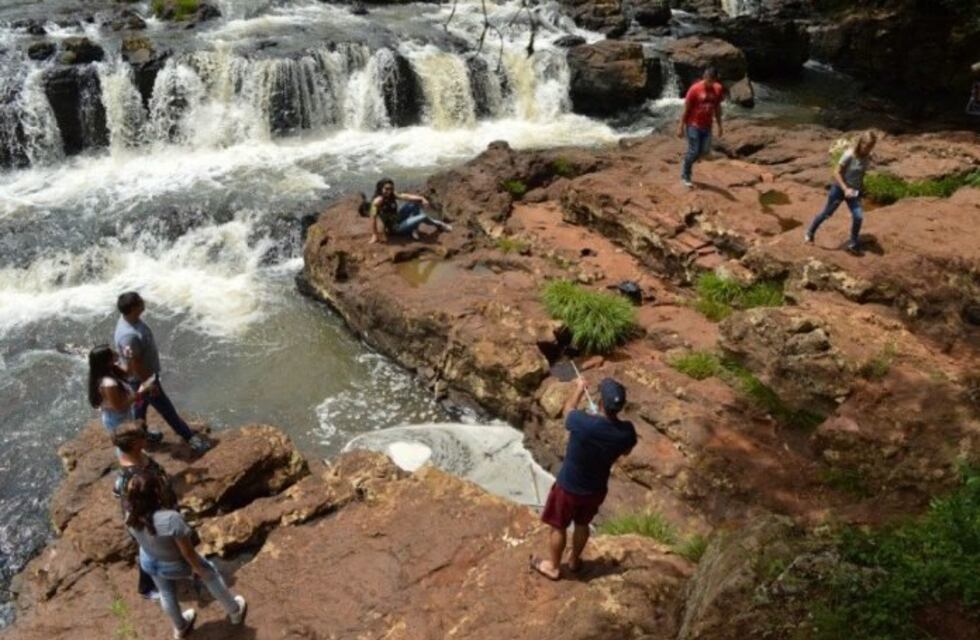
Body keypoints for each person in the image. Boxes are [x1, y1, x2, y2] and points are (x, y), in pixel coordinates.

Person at [531, 377, 636, 580]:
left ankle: (553, 566)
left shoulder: (583, 423)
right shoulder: (626, 432)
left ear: (600, 403)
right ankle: (575, 561)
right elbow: (627, 451)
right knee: (582, 524)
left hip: (568, 486)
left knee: (558, 526)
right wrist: (600, 420)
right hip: (595, 490)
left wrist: (579, 389)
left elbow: (567, 411)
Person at [124, 470, 247, 639]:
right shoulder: (171, 519)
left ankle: (180, 627)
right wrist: (197, 569)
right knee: (210, 575)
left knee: (166, 592)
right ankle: (234, 611)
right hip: (173, 563)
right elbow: (187, 552)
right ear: (156, 493)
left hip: (148, 559)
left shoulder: (130, 513)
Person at [114, 292, 210, 453]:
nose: (143, 302)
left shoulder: (127, 320)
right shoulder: (129, 336)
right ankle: (190, 439)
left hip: (141, 379)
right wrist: (149, 384)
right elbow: (135, 364)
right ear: (132, 309)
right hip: (143, 379)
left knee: (139, 408)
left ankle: (141, 434)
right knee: (167, 410)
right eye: (140, 302)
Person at [112, 420, 174, 600]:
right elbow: (123, 494)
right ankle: (146, 586)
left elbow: (116, 491)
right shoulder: (131, 474)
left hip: (157, 506)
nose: (145, 438)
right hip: (146, 515)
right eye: (142, 437)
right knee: (149, 548)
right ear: (133, 444)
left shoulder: (138, 455)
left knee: (151, 547)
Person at [804, 130, 877, 255]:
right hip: (839, 189)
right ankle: (810, 233)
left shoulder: (868, 156)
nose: (868, 149)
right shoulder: (849, 154)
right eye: (867, 146)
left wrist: (861, 189)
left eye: (871, 146)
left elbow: (861, 173)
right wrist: (845, 189)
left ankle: (853, 243)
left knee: (858, 216)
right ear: (861, 143)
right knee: (827, 214)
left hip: (854, 191)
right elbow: (836, 172)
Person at [88, 344, 162, 443]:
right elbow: (119, 406)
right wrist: (141, 392)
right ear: (107, 361)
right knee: (125, 444)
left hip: (123, 414)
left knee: (131, 439)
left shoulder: (111, 369)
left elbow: (128, 373)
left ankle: (144, 440)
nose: (115, 352)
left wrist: (129, 357)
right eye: (112, 353)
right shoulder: (108, 383)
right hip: (116, 419)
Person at [678, 67, 724, 189]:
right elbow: (686, 109)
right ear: (704, 76)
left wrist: (720, 125)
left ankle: (688, 160)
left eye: (711, 80)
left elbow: (717, 108)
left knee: (704, 151)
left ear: (714, 80)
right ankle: (686, 174)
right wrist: (681, 126)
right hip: (693, 125)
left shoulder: (718, 89)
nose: (708, 82)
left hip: (707, 125)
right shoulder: (695, 89)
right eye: (707, 79)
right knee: (694, 151)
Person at [369, 178, 451, 243]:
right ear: (381, 188)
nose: (389, 191)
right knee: (423, 216)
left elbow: (406, 196)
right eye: (386, 189)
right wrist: (374, 235)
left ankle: (414, 229)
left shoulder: (392, 195)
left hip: (397, 218)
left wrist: (421, 198)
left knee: (414, 203)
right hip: (395, 228)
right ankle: (439, 224)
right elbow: (373, 218)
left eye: (391, 188)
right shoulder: (377, 202)